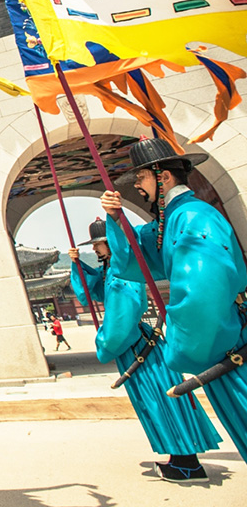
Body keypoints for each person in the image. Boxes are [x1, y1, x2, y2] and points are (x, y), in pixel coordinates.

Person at [101, 136, 247, 473]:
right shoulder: (171, 220)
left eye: (140, 177)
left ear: (163, 176)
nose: (137, 185)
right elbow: (137, 256)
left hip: (228, 336)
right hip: (225, 338)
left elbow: (202, 289)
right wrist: (116, 218)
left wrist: (184, 341)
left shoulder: (195, 216)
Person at [70, 219, 220, 481]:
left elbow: (121, 315)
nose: (95, 250)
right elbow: (93, 291)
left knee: (158, 398)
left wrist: (104, 343)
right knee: (155, 399)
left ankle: (187, 463)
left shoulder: (122, 274)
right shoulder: (113, 270)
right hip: (137, 343)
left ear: (111, 242)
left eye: (99, 244)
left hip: (135, 343)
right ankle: (181, 457)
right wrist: (77, 266)